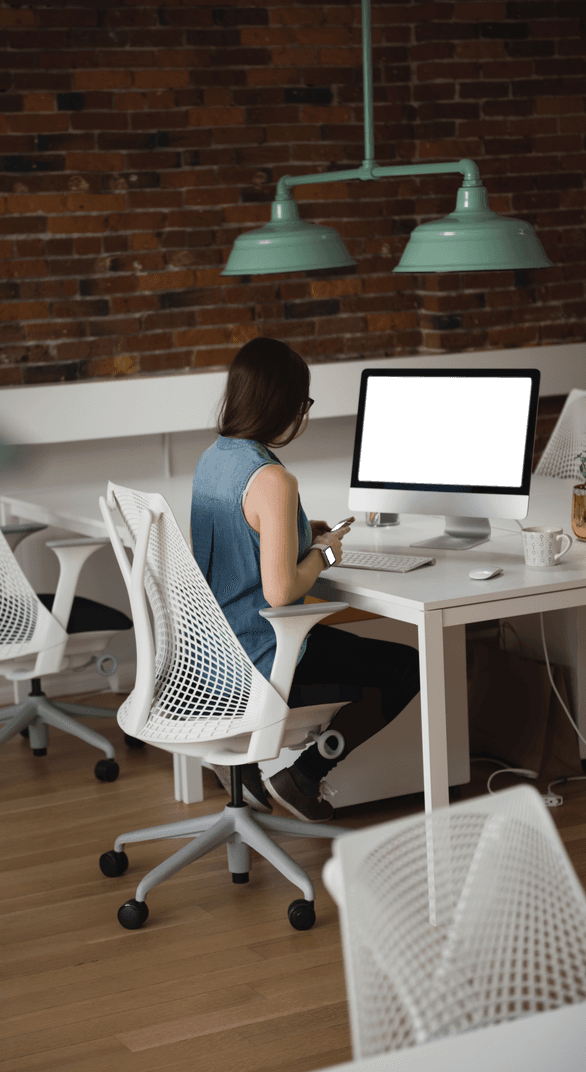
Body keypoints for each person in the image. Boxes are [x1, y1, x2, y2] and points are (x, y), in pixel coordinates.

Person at [191, 336, 420, 822]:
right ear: (284, 405)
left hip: (213, 658)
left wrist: (297, 536)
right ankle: (304, 774)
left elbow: (241, 538)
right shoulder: (273, 479)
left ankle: (250, 773)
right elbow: (280, 591)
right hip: (262, 661)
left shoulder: (214, 459)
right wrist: (323, 554)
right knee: (407, 668)